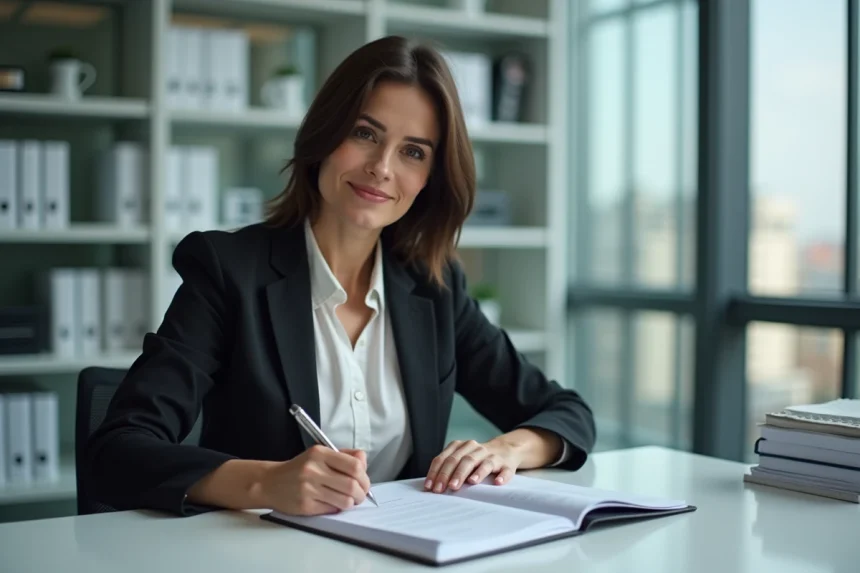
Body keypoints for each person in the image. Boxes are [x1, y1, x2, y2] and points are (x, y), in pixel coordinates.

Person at [86, 35, 595, 518]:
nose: (382, 168)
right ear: (325, 136)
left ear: (430, 180)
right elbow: (119, 450)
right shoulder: (228, 270)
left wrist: (505, 449)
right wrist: (265, 483)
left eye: (413, 151)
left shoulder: (434, 289)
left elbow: (566, 412)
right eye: (364, 133)